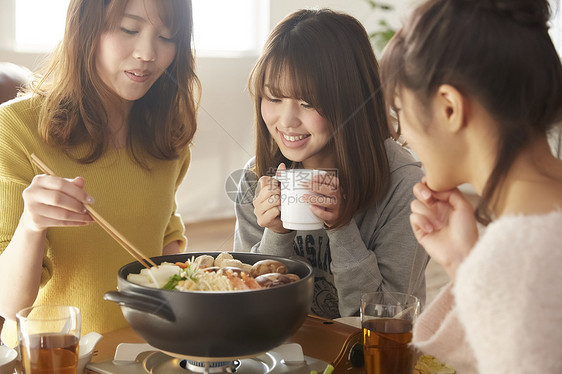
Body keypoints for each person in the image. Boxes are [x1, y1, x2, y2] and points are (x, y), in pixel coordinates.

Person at [0, 0, 199, 346]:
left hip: (143, 356)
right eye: (129, 29)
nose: (148, 53)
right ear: (85, 28)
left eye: (167, 37)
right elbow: (10, 304)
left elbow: (164, 235)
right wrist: (32, 224)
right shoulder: (16, 128)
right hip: (56, 360)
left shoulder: (169, 135)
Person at [380, 0, 562, 372]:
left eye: (401, 112)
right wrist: (463, 262)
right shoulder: (517, 249)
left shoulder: (515, 258)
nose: (403, 137)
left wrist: (482, 267)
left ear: (449, 107)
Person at [234, 8, 429, 319]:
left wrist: (341, 228)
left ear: (351, 99)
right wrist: (276, 234)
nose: (286, 121)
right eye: (273, 98)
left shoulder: (404, 185)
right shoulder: (255, 177)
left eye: (307, 103)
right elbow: (247, 309)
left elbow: (385, 319)